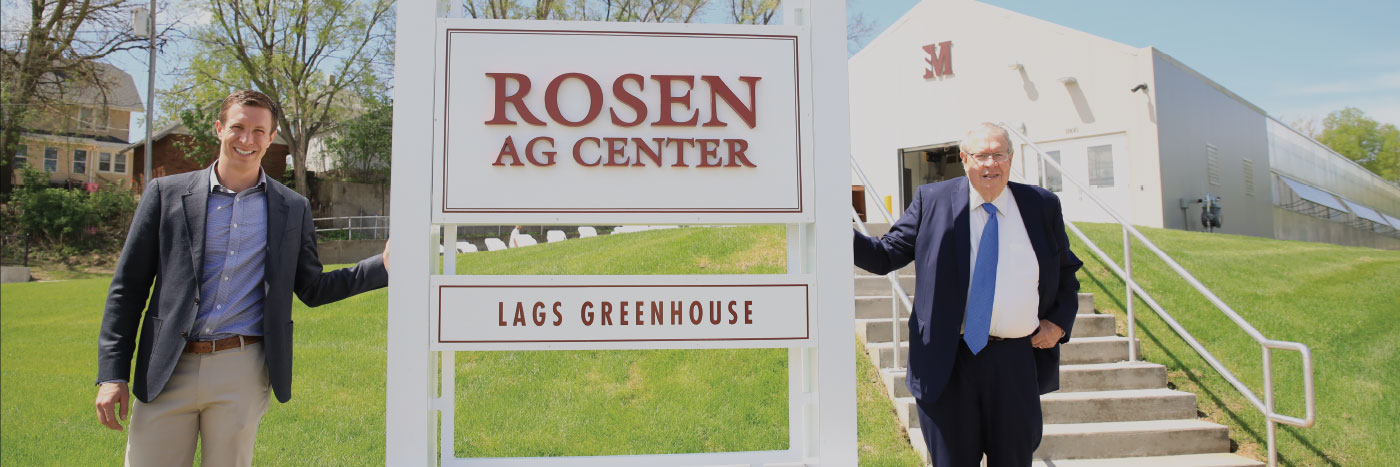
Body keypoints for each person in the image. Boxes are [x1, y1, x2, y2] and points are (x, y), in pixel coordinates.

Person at [93, 89, 390, 466]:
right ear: (219, 129)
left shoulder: (292, 208)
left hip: (241, 369)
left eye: (258, 131)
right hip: (166, 367)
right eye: (237, 127)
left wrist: (383, 265)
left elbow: (312, 288)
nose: (246, 139)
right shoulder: (165, 195)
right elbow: (127, 290)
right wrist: (112, 374)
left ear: (271, 137)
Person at [853, 123, 1081, 466]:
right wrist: (833, 228)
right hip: (948, 363)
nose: (991, 164)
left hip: (1015, 361)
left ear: (1010, 158)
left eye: (998, 154)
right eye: (981, 155)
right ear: (964, 159)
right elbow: (885, 256)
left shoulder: (1040, 205)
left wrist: (1059, 324)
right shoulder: (933, 201)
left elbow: (1065, 271)